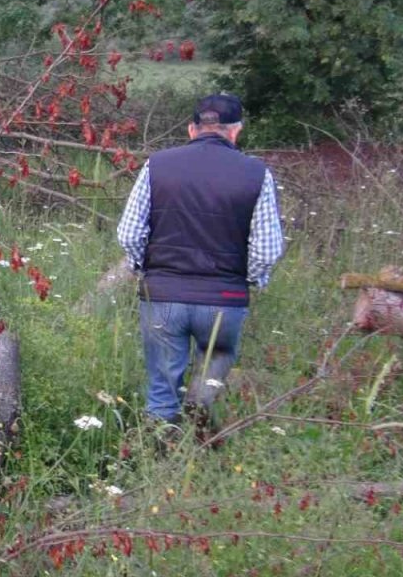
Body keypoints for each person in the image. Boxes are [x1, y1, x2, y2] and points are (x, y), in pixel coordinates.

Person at [115, 93, 284, 439]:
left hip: (163, 296)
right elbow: (267, 250)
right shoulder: (257, 174)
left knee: (162, 390)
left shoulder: (157, 165)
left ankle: (160, 461)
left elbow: (129, 233)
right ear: (236, 131)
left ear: (192, 129)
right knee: (216, 358)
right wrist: (247, 279)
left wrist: (143, 268)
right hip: (224, 298)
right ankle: (201, 403)